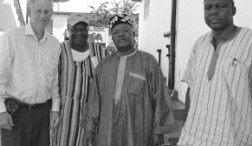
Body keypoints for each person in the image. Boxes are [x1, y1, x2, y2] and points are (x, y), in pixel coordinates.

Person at [79, 14, 176, 146]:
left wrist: (158, 131)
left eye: (125, 30)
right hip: (107, 132)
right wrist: (89, 129)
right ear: (112, 37)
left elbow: (160, 98)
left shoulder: (148, 62)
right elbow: (94, 101)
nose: (120, 35)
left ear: (133, 34)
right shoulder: (104, 65)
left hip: (138, 131)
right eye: (116, 32)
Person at [177, 0, 252, 145]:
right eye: (208, 7)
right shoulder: (199, 44)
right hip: (191, 139)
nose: (213, 11)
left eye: (220, 6)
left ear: (233, 10)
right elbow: (191, 87)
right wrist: (186, 126)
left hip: (234, 140)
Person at [0, 0, 60, 146]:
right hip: (16, 113)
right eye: (38, 11)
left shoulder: (54, 44)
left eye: (47, 12)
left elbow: (54, 81)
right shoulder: (11, 38)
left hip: (42, 113)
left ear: (51, 13)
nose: (43, 15)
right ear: (29, 12)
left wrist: (56, 109)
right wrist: (1, 111)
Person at [50, 13, 107, 146]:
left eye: (83, 29)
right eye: (75, 29)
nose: (79, 32)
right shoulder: (58, 50)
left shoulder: (101, 53)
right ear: (68, 30)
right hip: (63, 116)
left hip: (91, 118)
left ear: (88, 31)